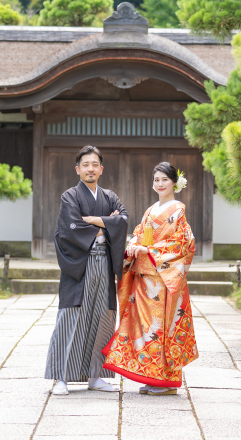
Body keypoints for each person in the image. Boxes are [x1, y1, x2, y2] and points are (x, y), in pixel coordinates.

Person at [102, 162, 198, 395]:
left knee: (161, 327)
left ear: (175, 182)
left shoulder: (178, 210)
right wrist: (134, 245)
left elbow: (183, 243)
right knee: (145, 328)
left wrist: (150, 251)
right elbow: (138, 232)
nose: (160, 184)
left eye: (164, 179)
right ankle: (152, 378)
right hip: (144, 277)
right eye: (156, 180)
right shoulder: (151, 209)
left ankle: (166, 382)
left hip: (162, 277)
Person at [45, 145, 129, 395]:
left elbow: (123, 220)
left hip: (104, 263)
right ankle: (61, 377)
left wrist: (91, 221)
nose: (90, 169)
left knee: (103, 318)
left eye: (95, 164)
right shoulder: (69, 196)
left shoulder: (110, 196)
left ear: (101, 169)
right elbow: (70, 228)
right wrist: (106, 225)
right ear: (77, 169)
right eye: (85, 165)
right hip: (79, 265)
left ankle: (96, 376)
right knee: (71, 317)